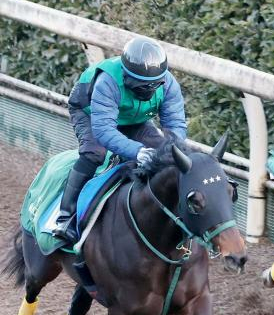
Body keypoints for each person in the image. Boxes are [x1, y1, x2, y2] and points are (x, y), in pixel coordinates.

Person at [52, 36, 187, 243]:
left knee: (166, 157)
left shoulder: (168, 83)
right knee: (95, 153)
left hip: (135, 120)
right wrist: (137, 151)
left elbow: (175, 125)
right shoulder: (108, 81)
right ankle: (65, 217)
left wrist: (174, 152)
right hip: (90, 113)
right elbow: (104, 130)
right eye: (142, 87)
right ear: (126, 76)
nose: (149, 91)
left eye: (154, 86)